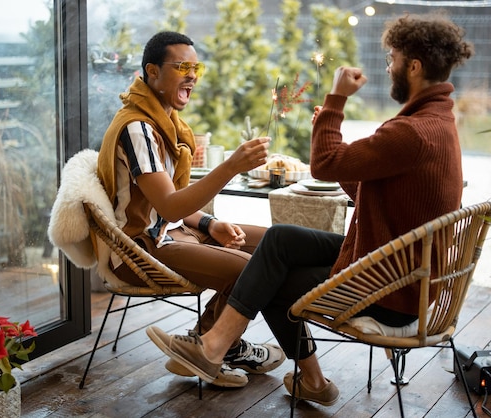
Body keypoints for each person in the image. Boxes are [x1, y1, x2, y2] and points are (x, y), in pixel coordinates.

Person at [146, 12, 474, 406]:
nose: (389, 69)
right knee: (280, 240)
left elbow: (325, 164)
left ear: (415, 66)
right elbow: (368, 187)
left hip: (389, 290)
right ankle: (263, 363)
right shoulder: (437, 123)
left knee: (272, 280)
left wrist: (336, 101)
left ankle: (219, 348)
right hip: (396, 267)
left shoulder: (411, 131)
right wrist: (330, 131)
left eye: (392, 60)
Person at [96, 31, 285, 388]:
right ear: (152, 72)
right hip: (139, 248)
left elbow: (172, 203)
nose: (192, 75)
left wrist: (211, 224)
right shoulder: (137, 128)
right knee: (251, 271)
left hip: (171, 231)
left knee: (276, 244)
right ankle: (217, 347)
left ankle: (208, 345)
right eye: (182, 66)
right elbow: (168, 204)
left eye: (196, 67)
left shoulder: (168, 125)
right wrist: (230, 167)